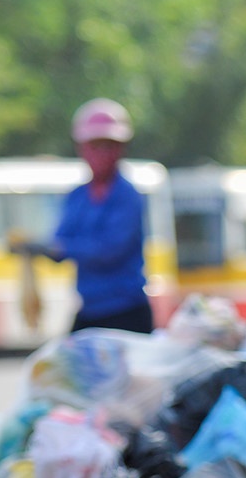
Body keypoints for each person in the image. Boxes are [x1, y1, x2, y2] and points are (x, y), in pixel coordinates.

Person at [15, 99, 154, 334]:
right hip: (89, 311)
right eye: (95, 146)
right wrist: (33, 248)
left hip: (126, 311)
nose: (102, 154)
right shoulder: (77, 197)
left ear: (121, 149)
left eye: (108, 145)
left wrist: (56, 248)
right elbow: (60, 242)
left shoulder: (127, 196)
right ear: (82, 149)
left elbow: (107, 250)